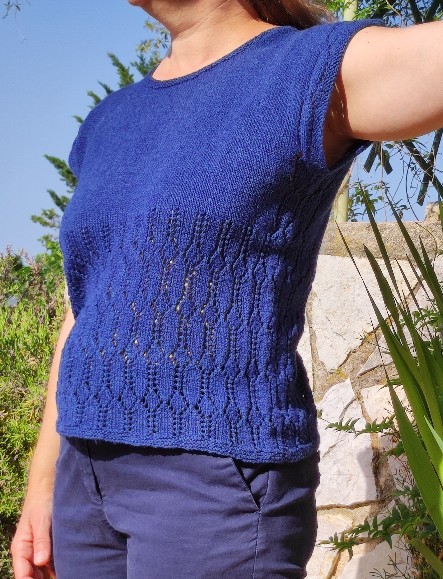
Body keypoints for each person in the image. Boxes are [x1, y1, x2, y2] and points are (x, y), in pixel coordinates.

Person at [10, 0, 443, 577]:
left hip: (212, 482)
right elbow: (87, 303)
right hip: (82, 482)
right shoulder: (110, 120)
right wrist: (43, 481)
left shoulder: (305, 71)